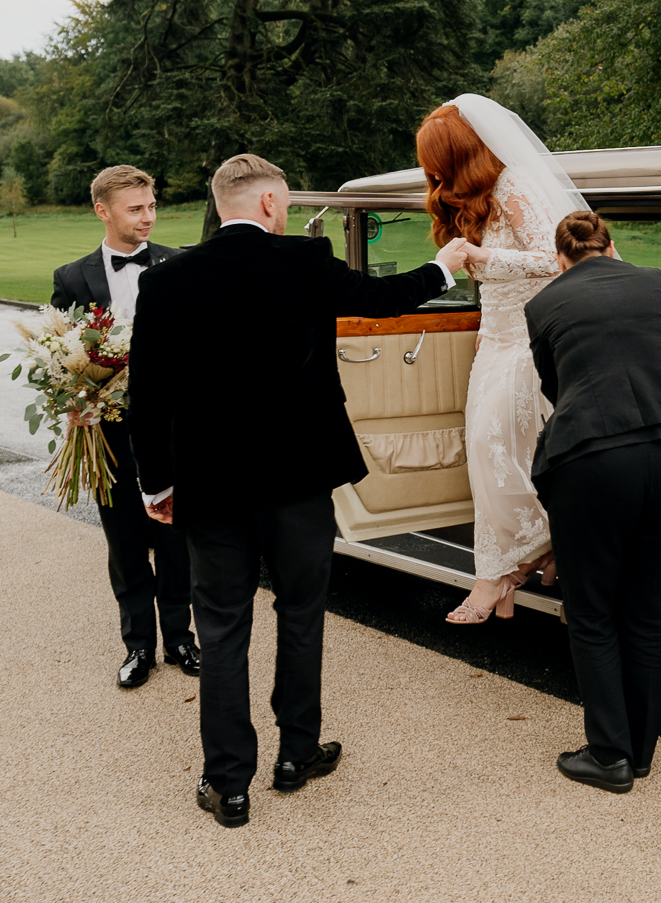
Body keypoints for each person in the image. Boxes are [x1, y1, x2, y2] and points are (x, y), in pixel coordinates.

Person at [127, 153, 473, 828]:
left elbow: (148, 396)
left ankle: (228, 784)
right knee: (300, 612)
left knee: (223, 629)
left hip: (212, 485)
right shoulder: (304, 263)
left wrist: (155, 486)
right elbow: (383, 300)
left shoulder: (167, 281)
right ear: (265, 205)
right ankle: (297, 753)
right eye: (280, 203)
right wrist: (446, 264)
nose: (283, 212)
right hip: (298, 482)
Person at [525, 210, 661, 794]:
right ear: (612, 248)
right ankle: (640, 750)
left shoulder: (544, 304)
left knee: (593, 611)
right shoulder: (654, 282)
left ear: (560, 259)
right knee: (652, 610)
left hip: (595, 459)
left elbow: (557, 386)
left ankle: (608, 756)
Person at [414, 95, 589, 624]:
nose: (434, 174)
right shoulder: (476, 195)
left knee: (506, 457)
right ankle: (522, 560)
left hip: (530, 344)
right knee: (487, 459)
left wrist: (484, 256)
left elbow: (559, 260)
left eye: (438, 161)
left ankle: (502, 572)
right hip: (496, 339)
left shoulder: (513, 185)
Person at [50, 164, 195, 690]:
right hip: (107, 432)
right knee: (126, 539)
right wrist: (75, 409)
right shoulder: (72, 278)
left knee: (176, 536)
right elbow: (60, 354)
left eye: (152, 206)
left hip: (175, 430)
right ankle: (138, 645)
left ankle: (181, 637)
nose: (148, 218)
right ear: (103, 211)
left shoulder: (177, 263)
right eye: (136, 209)